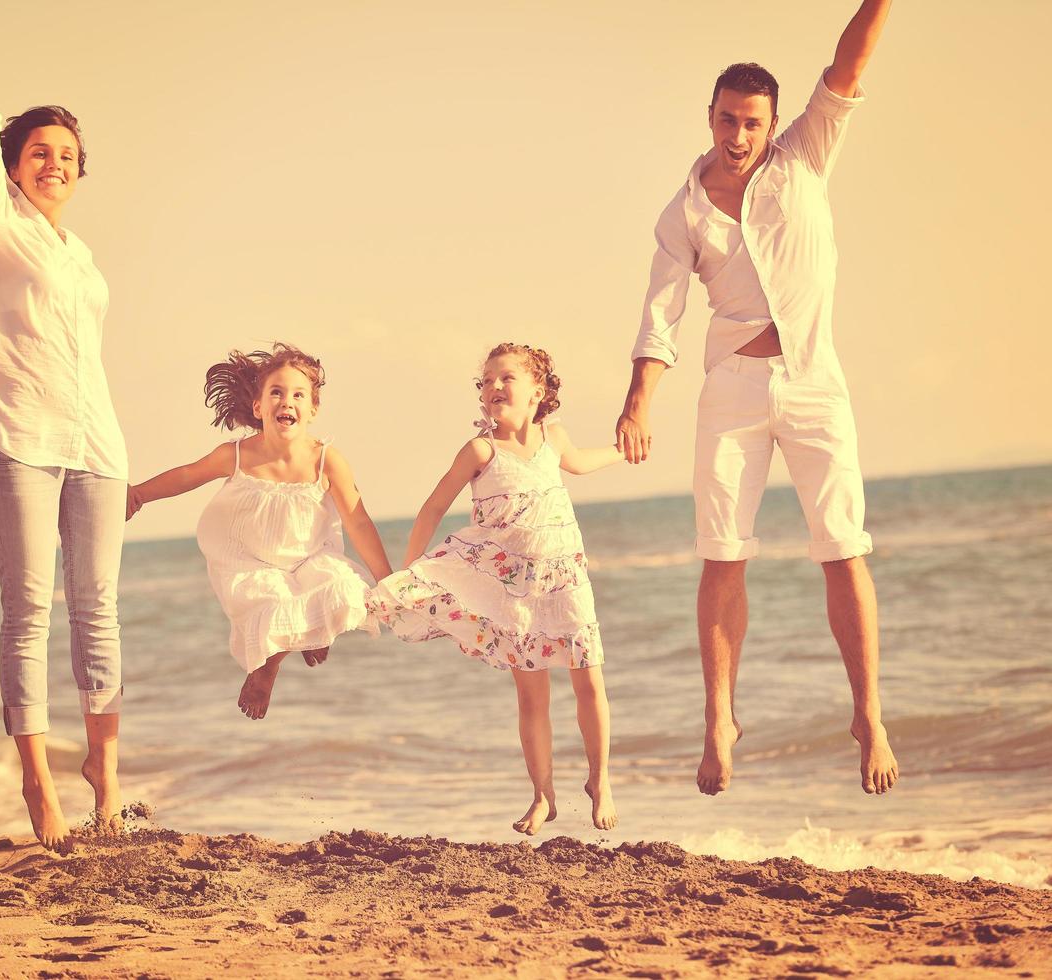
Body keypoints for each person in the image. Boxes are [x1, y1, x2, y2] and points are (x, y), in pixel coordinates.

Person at [614, 0, 901, 797]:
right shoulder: (684, 213)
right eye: (727, 120)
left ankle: (868, 713)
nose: (738, 136)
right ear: (708, 117)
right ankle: (720, 720)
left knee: (844, 547)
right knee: (722, 556)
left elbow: (850, 66)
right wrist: (639, 403)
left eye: (751, 124)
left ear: (772, 124)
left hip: (815, 381)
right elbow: (660, 315)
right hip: (733, 390)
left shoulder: (805, 155)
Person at [0, 0, 129, 853]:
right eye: (40, 153)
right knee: (31, 612)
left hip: (96, 445)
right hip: (18, 436)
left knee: (102, 611)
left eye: (68, 157)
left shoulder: (81, 257)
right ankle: (38, 784)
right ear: (10, 166)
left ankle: (107, 781)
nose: (55, 165)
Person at [368, 344, 623, 835]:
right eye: (486, 381)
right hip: (515, 593)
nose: (493, 388)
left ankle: (601, 780)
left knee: (590, 682)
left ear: (538, 392)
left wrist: (622, 450)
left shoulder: (554, 438)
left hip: (566, 580)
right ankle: (542, 796)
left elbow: (581, 462)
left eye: (506, 378)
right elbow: (432, 508)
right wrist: (406, 576)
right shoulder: (481, 451)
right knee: (533, 697)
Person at [126, 344, 391, 720]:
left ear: (312, 410)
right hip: (250, 561)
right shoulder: (237, 455)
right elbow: (187, 475)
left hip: (310, 557)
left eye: (299, 395)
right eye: (277, 393)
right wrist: (138, 495)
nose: (288, 401)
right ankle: (266, 670)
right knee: (275, 605)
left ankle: (312, 634)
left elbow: (358, 521)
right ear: (259, 407)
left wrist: (388, 580)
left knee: (346, 590)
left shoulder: (325, 460)